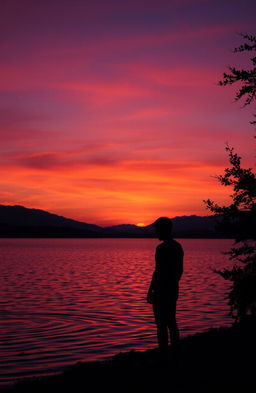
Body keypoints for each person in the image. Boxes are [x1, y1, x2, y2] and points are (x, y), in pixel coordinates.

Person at [147, 217, 183, 353]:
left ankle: (164, 352)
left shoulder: (162, 248)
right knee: (171, 321)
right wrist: (172, 284)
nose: (156, 232)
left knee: (162, 324)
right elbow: (179, 271)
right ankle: (175, 350)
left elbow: (159, 271)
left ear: (163, 230)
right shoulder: (177, 246)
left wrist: (152, 289)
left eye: (157, 229)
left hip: (162, 290)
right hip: (172, 289)